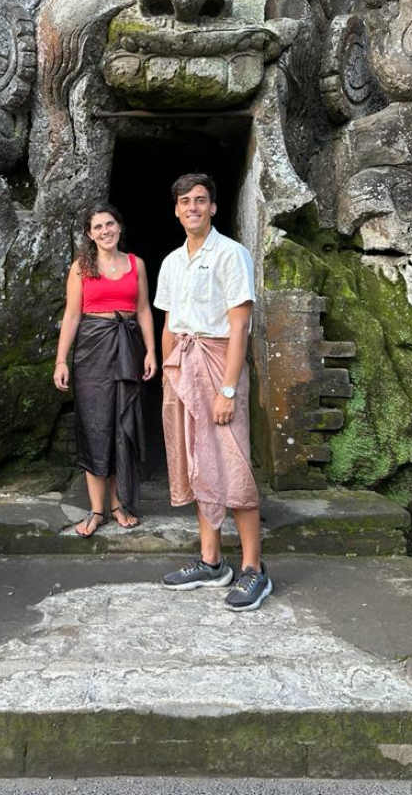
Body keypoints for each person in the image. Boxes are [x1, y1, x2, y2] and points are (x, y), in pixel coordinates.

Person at [153, 174, 268, 610]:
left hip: (219, 364)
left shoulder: (231, 254)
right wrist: (168, 374)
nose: (193, 208)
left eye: (201, 200)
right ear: (177, 210)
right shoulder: (171, 262)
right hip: (182, 365)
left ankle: (254, 569)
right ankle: (211, 562)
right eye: (185, 202)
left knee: (231, 463)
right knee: (197, 460)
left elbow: (239, 325)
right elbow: (169, 324)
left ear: (214, 208)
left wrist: (227, 389)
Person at [54, 204, 157, 536]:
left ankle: (117, 503)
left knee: (122, 423)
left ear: (119, 227)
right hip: (92, 352)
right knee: (96, 426)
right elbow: (71, 316)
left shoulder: (135, 264)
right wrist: (60, 360)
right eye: (97, 227)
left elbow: (143, 310)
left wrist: (151, 352)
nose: (105, 231)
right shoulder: (80, 268)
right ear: (89, 234)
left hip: (128, 347)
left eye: (110, 224)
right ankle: (97, 509)